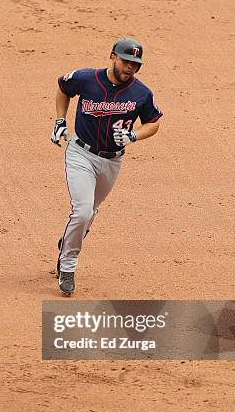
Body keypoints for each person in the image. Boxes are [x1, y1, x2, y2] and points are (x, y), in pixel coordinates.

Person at [51, 37, 163, 296]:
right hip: (81, 154)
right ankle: (67, 265)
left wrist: (135, 135)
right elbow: (63, 88)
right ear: (112, 56)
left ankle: (69, 241)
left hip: (113, 161)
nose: (130, 68)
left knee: (90, 212)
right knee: (81, 211)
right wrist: (59, 121)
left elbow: (154, 122)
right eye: (126, 61)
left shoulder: (141, 93)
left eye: (135, 64)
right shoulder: (86, 78)